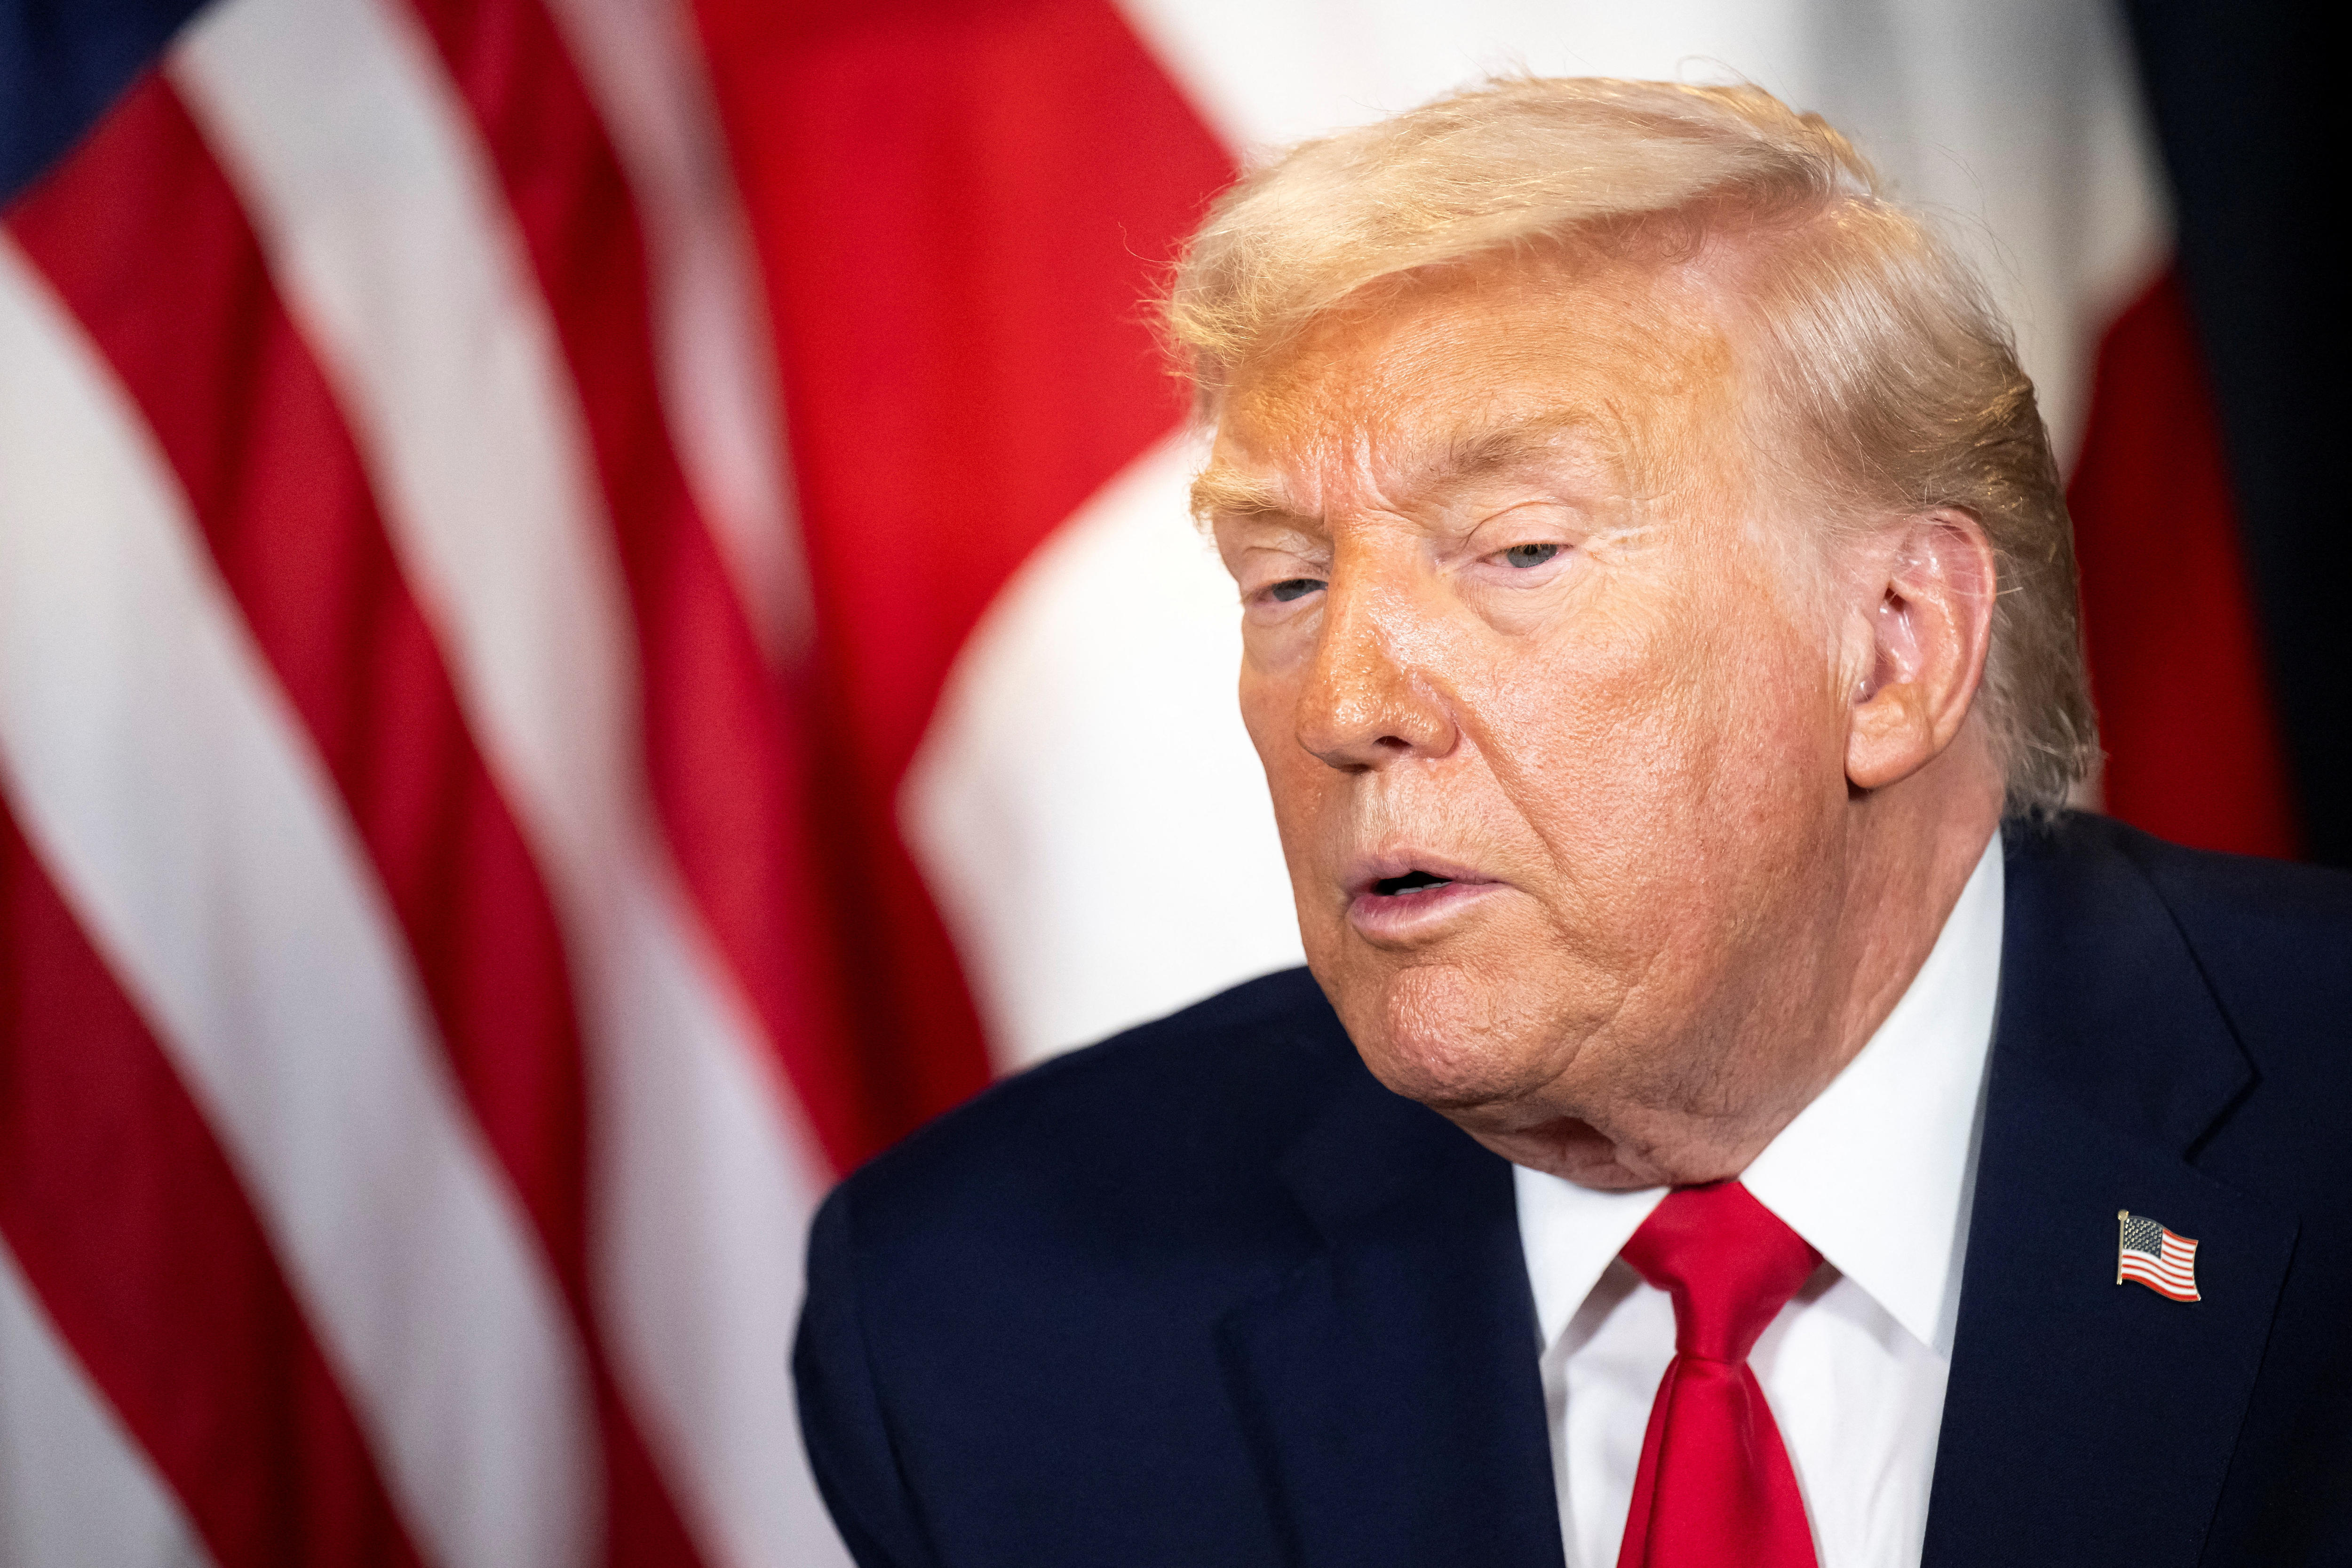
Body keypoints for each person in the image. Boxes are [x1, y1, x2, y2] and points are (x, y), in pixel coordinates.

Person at [793, 78, 2352, 1567]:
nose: (1345, 703)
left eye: (1520, 551)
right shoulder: (995, 1318)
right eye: (1286, 582)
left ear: (1891, 647)